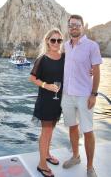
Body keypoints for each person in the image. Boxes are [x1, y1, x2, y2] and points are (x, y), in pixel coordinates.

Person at [61, 14, 102, 177]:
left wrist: (94, 94)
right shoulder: (66, 45)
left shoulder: (92, 46)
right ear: (68, 27)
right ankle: (76, 156)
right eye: (71, 25)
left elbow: (97, 71)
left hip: (84, 95)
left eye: (77, 25)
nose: (74, 28)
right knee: (72, 127)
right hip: (67, 94)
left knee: (88, 130)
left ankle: (90, 167)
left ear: (82, 26)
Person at [29, 28, 65, 177]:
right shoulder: (42, 59)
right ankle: (42, 165)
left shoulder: (64, 57)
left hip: (58, 101)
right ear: (48, 41)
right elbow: (32, 78)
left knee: (51, 129)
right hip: (45, 100)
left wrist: (88, 71)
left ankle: (47, 155)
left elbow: (75, 69)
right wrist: (46, 85)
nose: (56, 43)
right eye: (53, 40)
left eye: (59, 40)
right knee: (46, 131)